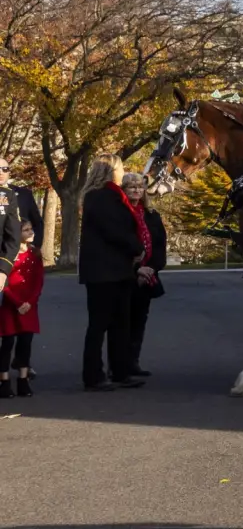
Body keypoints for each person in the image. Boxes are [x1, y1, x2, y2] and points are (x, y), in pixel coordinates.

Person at [77, 157, 146, 391]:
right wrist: (136, 247)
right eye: (120, 168)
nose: (123, 171)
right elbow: (113, 229)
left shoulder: (113, 195)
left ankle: (120, 371)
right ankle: (93, 375)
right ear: (111, 171)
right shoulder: (100, 196)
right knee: (99, 324)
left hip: (118, 269)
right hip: (103, 271)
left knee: (120, 323)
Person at [123, 171, 166, 378]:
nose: (136, 190)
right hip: (124, 275)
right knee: (122, 321)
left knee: (140, 320)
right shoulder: (120, 213)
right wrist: (135, 270)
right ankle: (120, 364)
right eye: (132, 187)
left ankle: (133, 362)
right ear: (124, 190)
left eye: (140, 187)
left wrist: (150, 269)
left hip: (148, 276)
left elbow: (160, 246)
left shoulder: (152, 215)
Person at [0, 223, 42, 397]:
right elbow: (4, 282)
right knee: (7, 343)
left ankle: (23, 380)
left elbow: (39, 280)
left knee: (26, 342)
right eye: (26, 230)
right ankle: (4, 381)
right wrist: (17, 303)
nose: (30, 232)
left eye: (31, 229)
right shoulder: (7, 255)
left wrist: (30, 302)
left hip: (29, 305)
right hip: (11, 305)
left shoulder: (35, 253)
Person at [0, 158, 40, 260]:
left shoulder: (24, 194)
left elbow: (37, 222)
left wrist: (35, 245)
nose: (1, 172)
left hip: (21, 254)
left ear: (9, 172)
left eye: (4, 169)